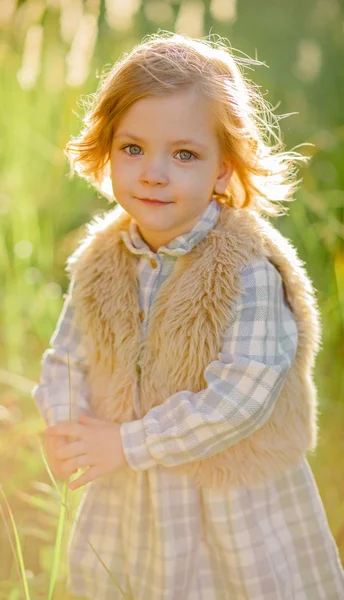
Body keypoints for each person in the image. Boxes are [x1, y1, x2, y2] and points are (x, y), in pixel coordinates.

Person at [32, 31, 344, 600]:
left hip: (228, 495)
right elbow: (67, 357)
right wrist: (68, 427)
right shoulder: (101, 262)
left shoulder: (246, 268)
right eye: (132, 149)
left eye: (184, 154)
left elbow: (242, 394)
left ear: (224, 170)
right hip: (129, 488)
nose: (154, 173)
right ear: (104, 149)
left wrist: (130, 443)